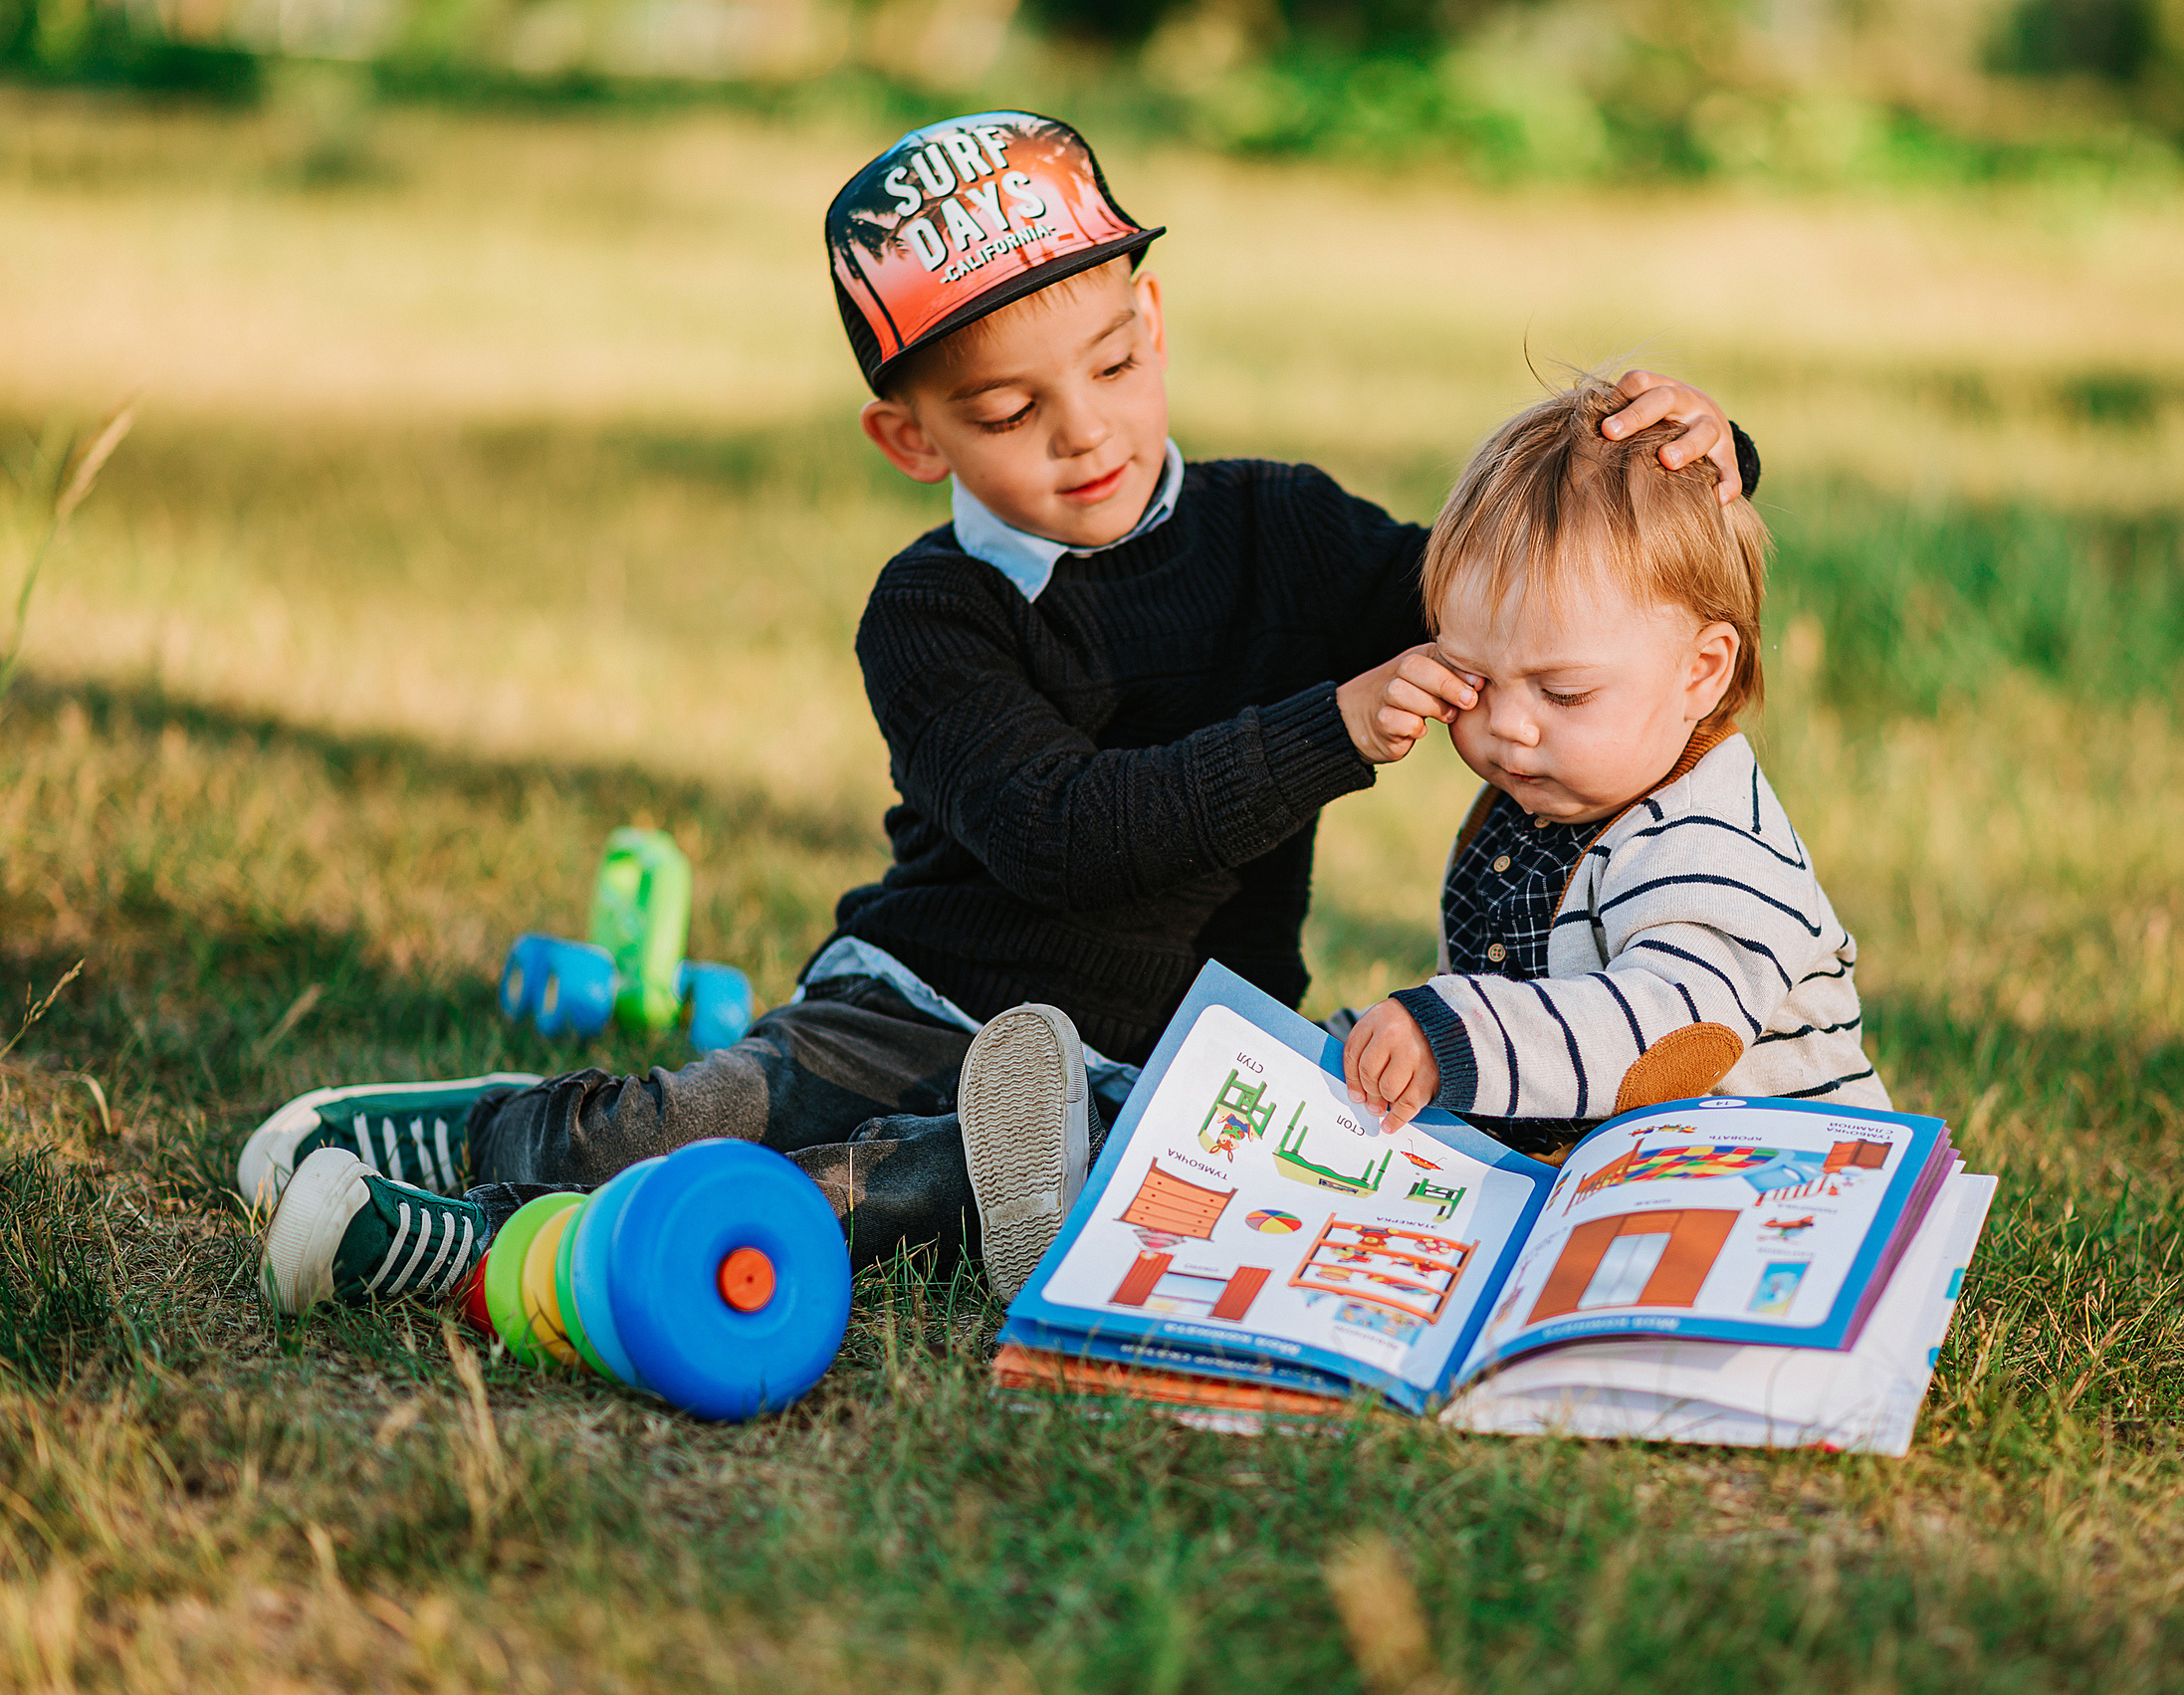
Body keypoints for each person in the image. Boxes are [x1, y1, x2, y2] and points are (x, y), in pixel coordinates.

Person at [246, 111, 1764, 1318]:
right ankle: (480, 1139)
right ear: (909, 436)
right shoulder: (932, 614)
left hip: (1152, 1065)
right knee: (706, 1113)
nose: (1084, 428)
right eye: (1007, 411)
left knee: (885, 1192)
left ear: (1153, 321)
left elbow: (1536, 588)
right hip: (915, 992)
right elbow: (1059, 836)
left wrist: (1691, 457)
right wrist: (1327, 726)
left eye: (1110, 365)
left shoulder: (1283, 536)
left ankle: (458, 1253)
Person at [1337, 376, 1884, 1156]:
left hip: (1781, 1196)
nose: (1509, 727)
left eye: (1563, 693)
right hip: (1617, 1188)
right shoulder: (1544, 797)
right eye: (1475, 679)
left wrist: (1452, 1033)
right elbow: (1516, 990)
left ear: (1701, 671)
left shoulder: (1713, 841)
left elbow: (1662, 1034)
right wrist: (1366, 1046)